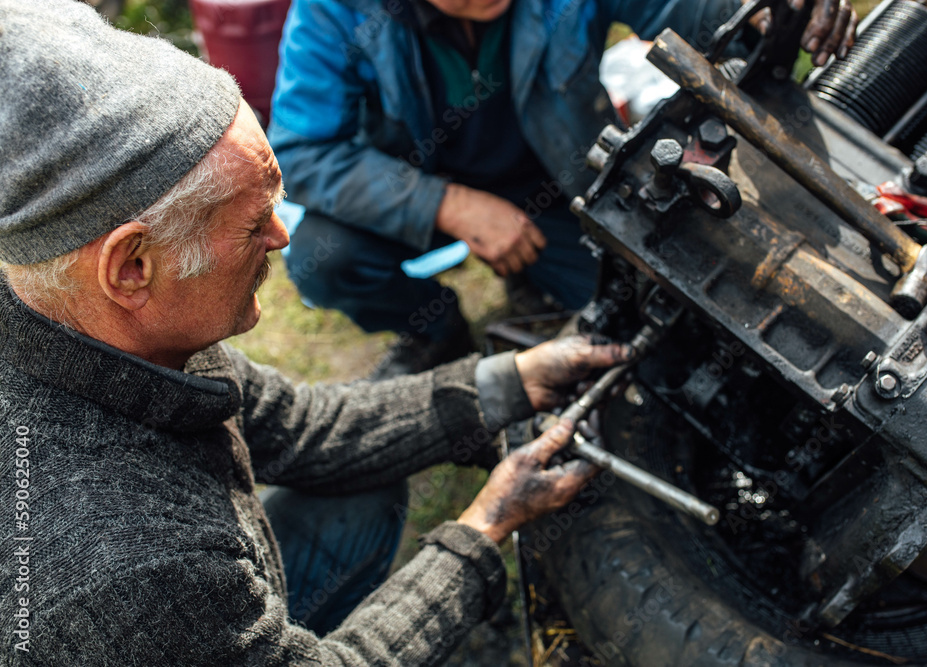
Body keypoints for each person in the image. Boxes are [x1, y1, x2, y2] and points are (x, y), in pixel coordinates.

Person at [0, 2, 632, 663]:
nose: (284, 236)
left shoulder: (106, 324)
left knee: (361, 488)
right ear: (130, 267)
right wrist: (482, 529)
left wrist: (508, 382)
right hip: (171, 613)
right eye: (253, 226)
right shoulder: (123, 567)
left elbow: (300, 425)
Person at [268, 0, 857, 377]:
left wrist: (758, 10)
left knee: (653, 315)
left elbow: (687, 6)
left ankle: (534, 274)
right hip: (413, 186)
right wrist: (445, 205)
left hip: (553, 182)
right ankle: (434, 331)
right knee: (327, 259)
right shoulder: (332, 11)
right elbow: (302, 149)